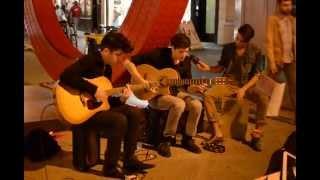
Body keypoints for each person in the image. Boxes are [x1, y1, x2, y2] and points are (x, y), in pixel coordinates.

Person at [59, 32, 154, 178]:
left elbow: (106, 98)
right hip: (83, 111)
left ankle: (129, 160)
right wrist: (93, 89)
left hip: (96, 108)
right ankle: (110, 168)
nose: (120, 59)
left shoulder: (107, 67)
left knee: (135, 112)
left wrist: (121, 99)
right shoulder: (90, 59)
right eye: (118, 54)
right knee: (119, 120)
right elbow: (66, 76)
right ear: (105, 50)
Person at [132, 33, 210, 157]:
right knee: (179, 104)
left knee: (197, 104)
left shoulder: (185, 61)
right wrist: (145, 81)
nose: (183, 55)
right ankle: (166, 140)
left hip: (175, 93)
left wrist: (194, 88)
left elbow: (186, 85)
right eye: (180, 51)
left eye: (186, 51)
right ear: (171, 47)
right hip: (155, 95)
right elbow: (134, 60)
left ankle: (188, 138)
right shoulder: (158, 55)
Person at [202, 24, 268, 152]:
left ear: (247, 41)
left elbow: (257, 75)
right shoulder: (228, 48)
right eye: (237, 37)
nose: (237, 41)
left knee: (263, 98)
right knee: (208, 94)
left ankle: (257, 135)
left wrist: (243, 89)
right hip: (228, 82)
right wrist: (208, 68)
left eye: (240, 40)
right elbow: (221, 67)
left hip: (246, 84)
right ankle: (217, 132)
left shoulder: (256, 50)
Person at [266, 0, 296, 111]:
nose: (288, 7)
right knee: (267, 87)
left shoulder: (292, 19)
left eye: (290, 5)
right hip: (277, 60)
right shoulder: (272, 19)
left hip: (291, 59)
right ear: (279, 5)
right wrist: (272, 62)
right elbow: (269, 42)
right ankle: (262, 112)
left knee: (294, 88)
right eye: (285, 5)